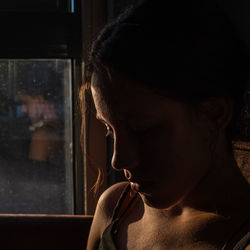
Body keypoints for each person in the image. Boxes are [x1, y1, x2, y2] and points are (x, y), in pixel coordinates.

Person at [84, 0, 250, 249]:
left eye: (143, 131)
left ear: (214, 115)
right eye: (109, 129)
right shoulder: (115, 208)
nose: (119, 160)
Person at [18, 65, 63, 164]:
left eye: (25, 103)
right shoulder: (59, 127)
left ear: (40, 99)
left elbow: (36, 178)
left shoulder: (41, 137)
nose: (23, 109)